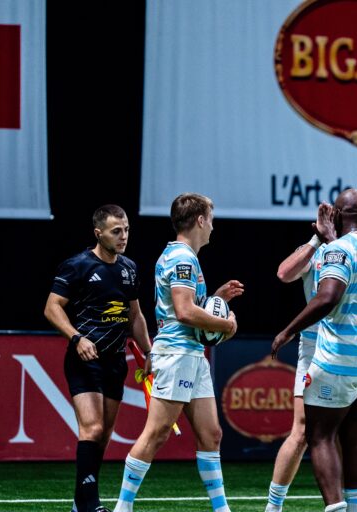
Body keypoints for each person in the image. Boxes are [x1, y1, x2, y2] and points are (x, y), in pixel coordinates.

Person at [112, 193, 244, 512]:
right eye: (210, 219)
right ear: (200, 220)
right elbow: (185, 313)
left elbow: (184, 309)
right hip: (176, 354)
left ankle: (221, 508)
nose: (213, 226)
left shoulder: (183, 257)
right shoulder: (182, 258)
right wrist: (226, 324)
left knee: (211, 433)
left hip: (191, 354)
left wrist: (216, 297)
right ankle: (122, 507)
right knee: (156, 433)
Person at [271, 188, 357, 512]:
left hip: (338, 355)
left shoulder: (338, 250)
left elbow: (327, 297)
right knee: (356, 439)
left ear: (338, 216)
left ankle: (333, 507)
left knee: (320, 436)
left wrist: (287, 330)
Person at [44, 204, 152, 512]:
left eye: (126, 230)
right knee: (90, 429)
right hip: (84, 360)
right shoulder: (77, 265)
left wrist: (149, 352)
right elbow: (52, 307)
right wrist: (76, 338)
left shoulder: (129, 268)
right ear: (98, 233)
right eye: (116, 231)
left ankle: (81, 500)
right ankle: (89, 503)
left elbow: (136, 316)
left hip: (115, 362)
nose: (123, 237)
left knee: (103, 435)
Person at [265, 202, 336, 512]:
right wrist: (316, 240)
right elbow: (283, 273)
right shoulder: (315, 250)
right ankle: (273, 506)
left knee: (354, 431)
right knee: (303, 428)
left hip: (353, 346)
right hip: (314, 346)